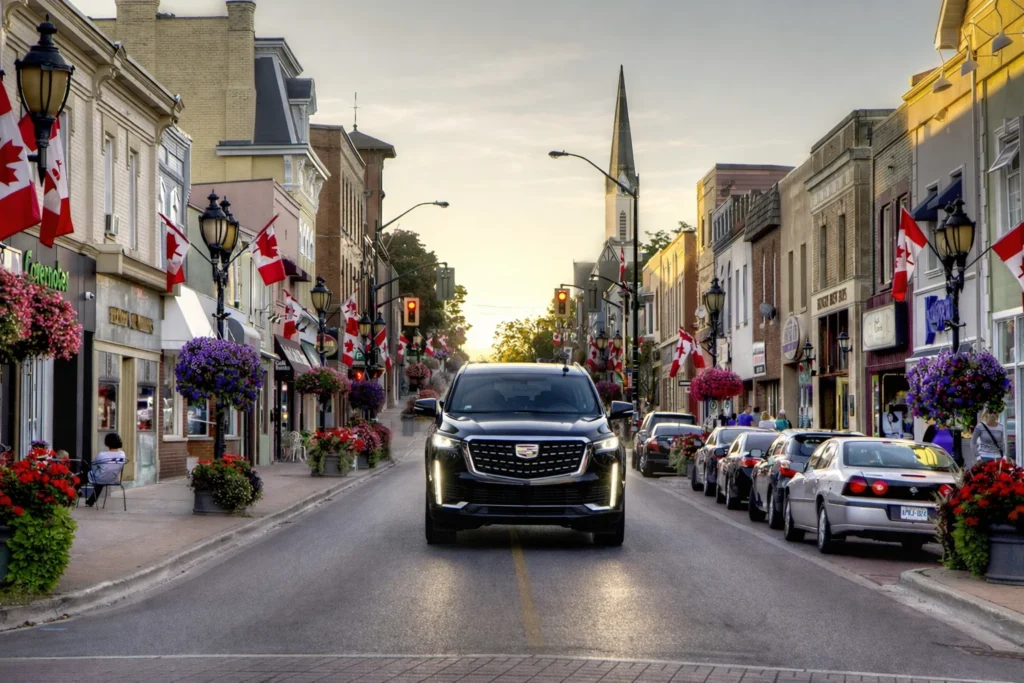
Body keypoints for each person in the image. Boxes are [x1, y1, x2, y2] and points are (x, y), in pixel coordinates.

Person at [86, 433, 127, 507]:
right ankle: (91, 500)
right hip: (112, 479)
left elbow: (93, 466)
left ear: (107, 443)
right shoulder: (122, 454)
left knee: (85, 476)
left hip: (99, 478)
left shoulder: (102, 455)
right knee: (102, 476)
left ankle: (73, 495)